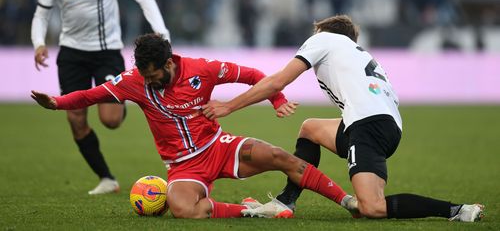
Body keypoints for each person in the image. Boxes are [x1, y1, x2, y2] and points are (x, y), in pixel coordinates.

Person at [31, 33, 359, 219]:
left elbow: (255, 76)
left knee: (281, 157)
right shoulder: (133, 81)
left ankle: (348, 203)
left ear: (169, 63)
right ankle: (254, 212)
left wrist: (276, 100)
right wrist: (56, 103)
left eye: (154, 76)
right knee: (182, 208)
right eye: (144, 76)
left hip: (219, 147)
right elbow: (90, 95)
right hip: (183, 166)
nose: (148, 82)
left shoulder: (203, 69)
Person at [202, 14, 484, 222]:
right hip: (381, 124)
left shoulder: (324, 39)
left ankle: (456, 210)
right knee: (310, 128)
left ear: (324, 31)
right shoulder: (356, 53)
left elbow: (278, 81)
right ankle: (286, 201)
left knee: (371, 208)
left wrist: (228, 106)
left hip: (368, 125)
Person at [30, 0, 170, 195]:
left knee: (110, 121)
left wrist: (161, 31)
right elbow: (41, 14)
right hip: (71, 54)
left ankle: (122, 105)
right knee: (76, 119)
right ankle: (107, 178)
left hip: (106, 53)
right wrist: (39, 42)